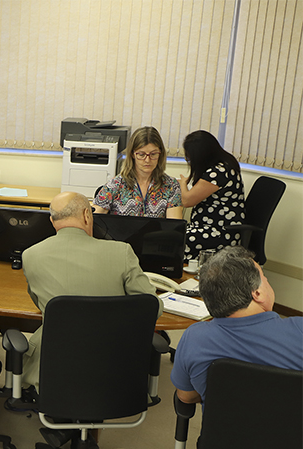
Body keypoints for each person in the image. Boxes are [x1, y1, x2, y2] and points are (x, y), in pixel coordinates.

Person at [21, 191, 162, 447]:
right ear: (88, 215)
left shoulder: (30, 256)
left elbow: (44, 306)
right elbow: (152, 307)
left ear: (53, 222)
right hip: (116, 367)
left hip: (54, 366)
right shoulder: (121, 252)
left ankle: (68, 424)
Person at [171, 246, 302, 406]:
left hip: (223, 431)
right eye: (265, 278)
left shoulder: (194, 338)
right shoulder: (299, 331)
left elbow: (186, 397)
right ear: (257, 293)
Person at [178, 130, 246, 261]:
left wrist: (183, 183)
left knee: (177, 239)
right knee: (173, 233)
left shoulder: (219, 172)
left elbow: (187, 201)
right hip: (208, 227)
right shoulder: (223, 164)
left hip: (221, 233)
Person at [93, 126, 183, 219]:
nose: (147, 160)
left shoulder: (171, 186)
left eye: (153, 154)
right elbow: (91, 220)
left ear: (160, 153)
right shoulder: (115, 185)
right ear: (132, 154)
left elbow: (174, 227)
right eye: (141, 154)